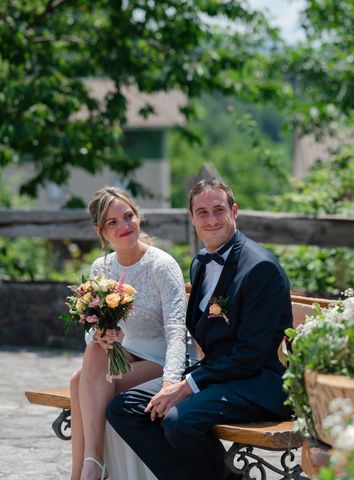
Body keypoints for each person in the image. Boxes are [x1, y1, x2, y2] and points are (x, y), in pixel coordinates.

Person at [105, 179, 293, 480]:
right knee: (125, 408)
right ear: (191, 218)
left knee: (180, 420)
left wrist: (188, 385)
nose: (211, 220)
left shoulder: (260, 268)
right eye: (202, 212)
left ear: (234, 211)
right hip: (218, 375)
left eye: (219, 210)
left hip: (259, 382)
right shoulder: (200, 264)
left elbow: (251, 354)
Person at [70, 186, 187, 480]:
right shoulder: (102, 267)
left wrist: (172, 380)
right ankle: (90, 465)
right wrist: (98, 336)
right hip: (127, 354)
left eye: (128, 216)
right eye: (112, 222)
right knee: (92, 355)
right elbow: (93, 328)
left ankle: (88, 472)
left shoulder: (162, 265)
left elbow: (176, 330)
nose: (124, 226)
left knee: (79, 382)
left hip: (162, 359)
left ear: (138, 216)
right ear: (101, 231)